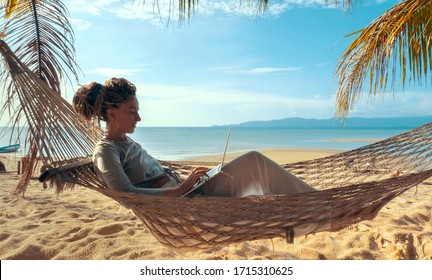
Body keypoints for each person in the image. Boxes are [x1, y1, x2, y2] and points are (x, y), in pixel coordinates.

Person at [73, 77, 316, 198]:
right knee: (255, 161)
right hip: (185, 201)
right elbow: (125, 194)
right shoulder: (106, 151)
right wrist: (182, 189)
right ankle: (315, 203)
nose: (138, 118)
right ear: (112, 114)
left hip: (190, 191)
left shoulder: (127, 142)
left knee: (253, 166)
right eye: (132, 112)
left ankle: (312, 203)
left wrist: (194, 180)